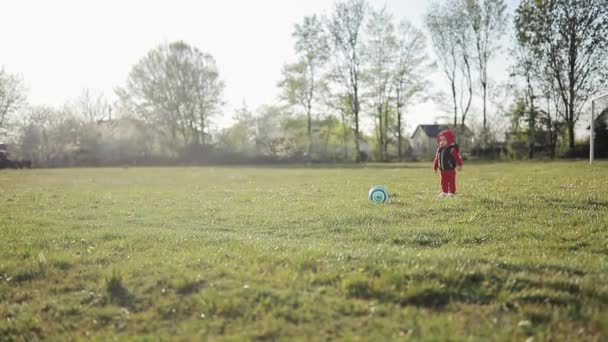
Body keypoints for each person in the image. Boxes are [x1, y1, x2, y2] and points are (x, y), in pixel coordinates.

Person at [432, 129, 463, 197]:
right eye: (440, 140)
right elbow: (437, 159)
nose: (442, 142)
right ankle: (444, 192)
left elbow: (457, 157)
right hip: (442, 170)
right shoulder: (439, 150)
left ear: (449, 140)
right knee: (443, 181)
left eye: (444, 140)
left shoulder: (451, 149)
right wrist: (435, 166)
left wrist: (459, 165)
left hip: (450, 169)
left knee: (451, 181)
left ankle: (451, 192)